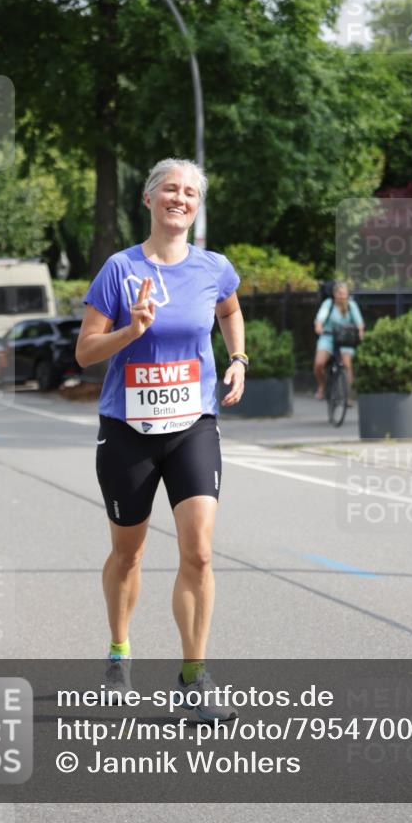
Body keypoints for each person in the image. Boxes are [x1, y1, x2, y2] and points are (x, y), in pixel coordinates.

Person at [76, 159, 245, 722]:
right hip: (128, 430)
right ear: (149, 199)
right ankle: (119, 652)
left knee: (198, 550)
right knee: (129, 553)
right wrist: (132, 331)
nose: (180, 198)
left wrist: (237, 357)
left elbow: (230, 308)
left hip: (194, 423)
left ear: (197, 205)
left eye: (190, 192)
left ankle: (195, 675)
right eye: (170, 189)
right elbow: (85, 353)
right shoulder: (119, 270)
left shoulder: (213, 268)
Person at [313, 281, 364, 403]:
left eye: (344, 293)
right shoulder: (328, 304)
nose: (342, 296)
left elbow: (359, 323)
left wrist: (360, 331)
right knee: (319, 364)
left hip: (345, 338)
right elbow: (320, 318)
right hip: (328, 336)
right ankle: (322, 385)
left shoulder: (352, 306)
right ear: (334, 294)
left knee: (347, 365)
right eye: (339, 293)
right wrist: (319, 326)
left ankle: (349, 395)